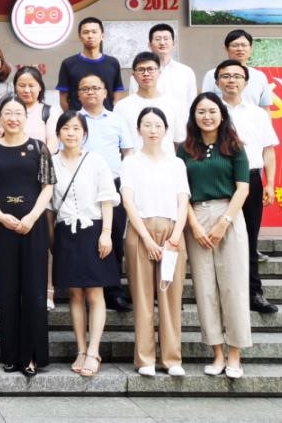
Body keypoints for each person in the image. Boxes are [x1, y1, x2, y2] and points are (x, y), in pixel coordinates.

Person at [0, 96, 56, 376]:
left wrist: (32, 217)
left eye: (18, 113)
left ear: (26, 117)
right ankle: (10, 355)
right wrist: (0, 216)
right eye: (7, 113)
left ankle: (32, 356)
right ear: (0, 117)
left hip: (33, 225)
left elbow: (47, 186)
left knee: (34, 290)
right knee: (8, 289)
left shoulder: (38, 148)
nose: (12, 118)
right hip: (3, 226)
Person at [179, 93, 252, 379]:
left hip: (229, 215)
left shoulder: (235, 146)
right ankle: (217, 353)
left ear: (222, 114)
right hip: (195, 215)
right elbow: (180, 191)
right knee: (205, 288)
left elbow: (243, 188)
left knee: (233, 287)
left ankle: (235, 354)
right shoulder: (185, 149)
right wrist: (194, 225)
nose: (206, 116)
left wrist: (224, 222)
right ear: (193, 116)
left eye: (212, 111)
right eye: (201, 111)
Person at [121, 107, 190, 378]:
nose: (152, 130)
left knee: (171, 298)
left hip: (172, 231)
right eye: (147, 125)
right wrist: (147, 239)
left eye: (158, 125)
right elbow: (128, 201)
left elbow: (183, 201)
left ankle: (172, 358)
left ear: (166, 130)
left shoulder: (176, 163)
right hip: (140, 231)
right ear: (138, 130)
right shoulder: (131, 162)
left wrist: (176, 236)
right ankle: (145, 358)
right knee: (142, 298)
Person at [49, 111, 119, 378]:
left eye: (76, 128)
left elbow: (107, 198)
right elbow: (49, 205)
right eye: (66, 128)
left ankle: (93, 350)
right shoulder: (51, 162)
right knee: (75, 294)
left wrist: (106, 233)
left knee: (95, 293)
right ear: (58, 133)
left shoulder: (96, 160)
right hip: (65, 231)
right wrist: (52, 239)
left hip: (94, 230)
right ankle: (80, 348)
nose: (71, 133)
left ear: (85, 133)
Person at [214, 59, 280, 314]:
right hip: (219, 180)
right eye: (226, 76)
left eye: (237, 76)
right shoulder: (209, 110)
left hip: (251, 180)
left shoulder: (258, 114)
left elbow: (268, 151)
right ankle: (219, 294)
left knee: (249, 239)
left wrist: (270, 183)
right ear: (217, 81)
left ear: (245, 82)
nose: (231, 80)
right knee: (218, 237)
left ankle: (254, 293)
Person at [76, 73, 135, 313]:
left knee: (114, 238)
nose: (90, 92)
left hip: (113, 184)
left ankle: (114, 290)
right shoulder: (73, 120)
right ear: (78, 94)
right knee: (87, 238)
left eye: (95, 88)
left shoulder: (117, 120)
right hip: (82, 186)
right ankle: (89, 287)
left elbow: (128, 151)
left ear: (104, 92)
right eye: (85, 88)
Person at [113, 52, 186, 148]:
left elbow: (178, 141)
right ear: (133, 75)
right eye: (141, 70)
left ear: (159, 73)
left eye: (150, 69)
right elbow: (116, 141)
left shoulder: (174, 104)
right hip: (133, 157)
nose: (146, 73)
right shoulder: (121, 107)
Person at [57, 17, 125, 112]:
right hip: (78, 119)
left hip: (106, 118)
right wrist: (72, 117)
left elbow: (117, 92)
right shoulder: (68, 64)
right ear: (80, 37)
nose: (90, 36)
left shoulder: (112, 63)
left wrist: (112, 115)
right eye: (86, 32)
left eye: (94, 32)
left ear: (102, 36)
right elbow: (63, 99)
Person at [202, 30, 274, 107]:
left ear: (250, 49)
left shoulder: (259, 76)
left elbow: (265, 108)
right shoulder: (212, 75)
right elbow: (205, 104)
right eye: (235, 45)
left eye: (244, 45)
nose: (240, 49)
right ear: (226, 48)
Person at [140, 23, 197, 115]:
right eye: (157, 39)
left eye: (166, 39)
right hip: (151, 122)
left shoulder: (186, 72)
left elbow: (192, 103)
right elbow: (135, 102)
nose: (162, 43)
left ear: (173, 43)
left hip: (181, 122)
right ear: (150, 45)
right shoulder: (141, 73)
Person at [13, 65, 58, 152]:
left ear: (40, 87)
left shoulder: (49, 112)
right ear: (15, 87)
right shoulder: (7, 110)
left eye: (31, 86)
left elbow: (53, 142)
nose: (26, 90)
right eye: (22, 85)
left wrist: (41, 157)